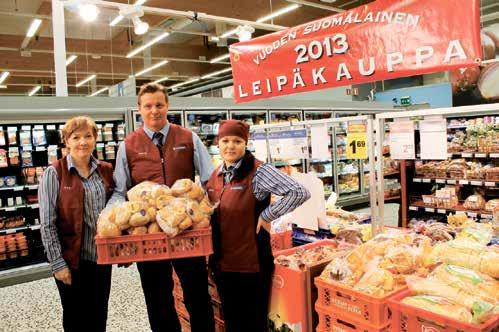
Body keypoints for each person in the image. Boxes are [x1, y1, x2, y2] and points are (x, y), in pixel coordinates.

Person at [108, 82, 215, 332]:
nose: (154, 111)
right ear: (139, 109)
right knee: (158, 299)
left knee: (197, 294)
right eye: (148, 106)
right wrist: (113, 222)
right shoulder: (128, 145)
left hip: (187, 230)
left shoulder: (188, 137)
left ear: (167, 106)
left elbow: (210, 179)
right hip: (150, 235)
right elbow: (119, 190)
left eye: (159, 104)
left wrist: (211, 211)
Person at [206, 120, 311, 332]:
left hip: (251, 265)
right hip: (223, 264)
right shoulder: (216, 174)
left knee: (253, 323)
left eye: (237, 141)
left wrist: (267, 214)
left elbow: (299, 192)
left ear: (246, 143)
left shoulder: (259, 171)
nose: (230, 146)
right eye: (225, 140)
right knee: (233, 321)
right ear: (218, 143)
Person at [39, 116, 115, 332]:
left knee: (99, 316)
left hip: (101, 260)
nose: (83, 142)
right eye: (76, 137)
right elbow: (47, 223)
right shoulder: (54, 173)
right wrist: (57, 264)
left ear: (95, 139)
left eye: (88, 136)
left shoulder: (106, 170)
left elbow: (115, 214)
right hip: (72, 262)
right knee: (75, 318)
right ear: (67, 141)